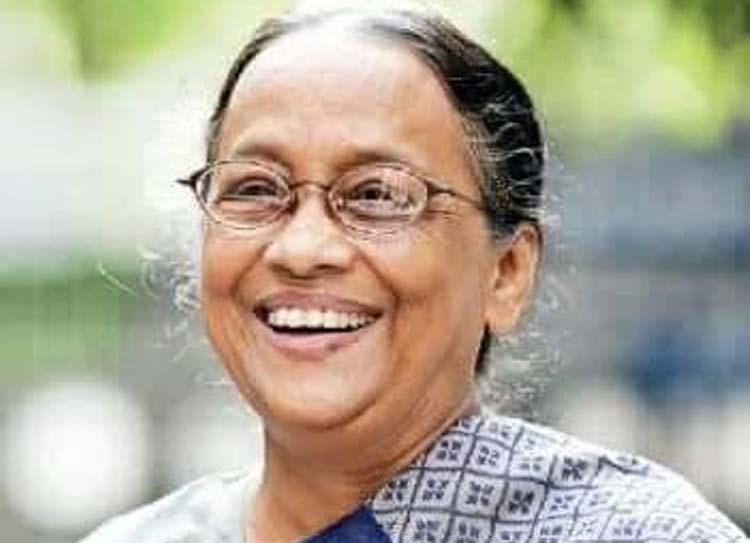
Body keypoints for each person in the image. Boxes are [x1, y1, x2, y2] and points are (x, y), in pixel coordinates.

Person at [81, 3, 748, 542]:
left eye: (377, 194)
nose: (301, 247)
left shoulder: (636, 532)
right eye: (255, 188)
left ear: (506, 272)